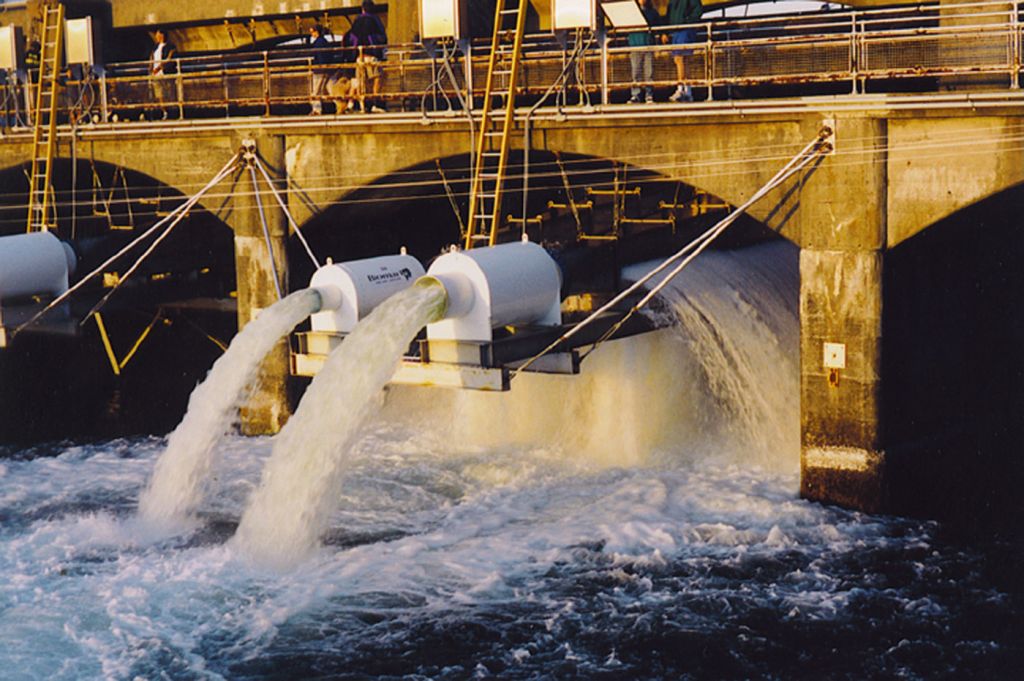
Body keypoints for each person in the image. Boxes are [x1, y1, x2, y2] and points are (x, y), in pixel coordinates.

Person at [344, 0, 387, 113]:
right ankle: (375, 103)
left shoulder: (357, 21)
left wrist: (355, 51)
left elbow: (351, 38)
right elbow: (382, 38)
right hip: (372, 55)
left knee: (360, 81)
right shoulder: (375, 20)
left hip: (360, 55)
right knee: (378, 77)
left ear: (362, 9)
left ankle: (357, 105)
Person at [665, 0, 703, 103]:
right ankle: (687, 90)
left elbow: (698, 10)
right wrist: (666, 31)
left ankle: (681, 89)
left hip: (685, 30)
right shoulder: (672, 2)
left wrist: (687, 21)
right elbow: (668, 15)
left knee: (681, 58)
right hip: (675, 31)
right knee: (680, 60)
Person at [627, 0, 661, 104]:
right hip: (635, 45)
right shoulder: (631, 12)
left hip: (648, 45)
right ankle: (635, 94)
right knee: (636, 72)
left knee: (648, 72)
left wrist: (657, 45)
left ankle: (649, 94)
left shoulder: (652, 12)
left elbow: (657, 28)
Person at [149, 28, 176, 119]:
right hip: (156, 74)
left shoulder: (170, 46)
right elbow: (152, 58)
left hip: (166, 73)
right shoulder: (155, 46)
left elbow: (169, 58)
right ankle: (164, 111)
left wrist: (159, 67)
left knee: (168, 93)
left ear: (162, 35)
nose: (156, 36)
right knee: (159, 94)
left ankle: (171, 112)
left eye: (158, 34)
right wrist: (151, 69)